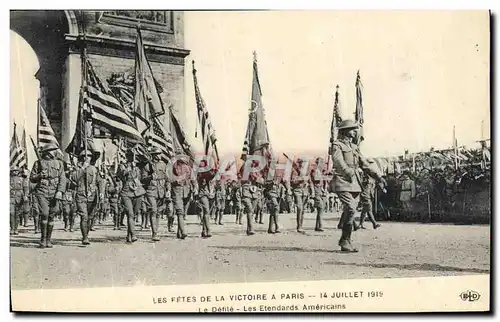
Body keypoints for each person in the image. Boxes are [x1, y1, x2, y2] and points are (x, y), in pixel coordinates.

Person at [331, 120, 386, 252]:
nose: (355, 131)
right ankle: (345, 240)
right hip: (342, 181)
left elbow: (365, 164)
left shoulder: (354, 147)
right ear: (345, 130)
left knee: (351, 210)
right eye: (352, 129)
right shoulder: (337, 145)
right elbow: (338, 161)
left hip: (355, 183)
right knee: (350, 208)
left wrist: (378, 176)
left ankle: (345, 239)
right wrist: (347, 171)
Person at [30, 146, 67, 248]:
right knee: (44, 213)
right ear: (46, 152)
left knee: (51, 215)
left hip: (54, 191)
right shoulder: (38, 163)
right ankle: (43, 239)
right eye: (51, 150)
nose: (53, 152)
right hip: (42, 191)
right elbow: (32, 178)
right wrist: (39, 175)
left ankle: (48, 239)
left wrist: (60, 191)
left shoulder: (59, 163)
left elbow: (62, 179)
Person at [71, 148, 105, 245]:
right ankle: (85, 237)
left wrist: (102, 192)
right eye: (85, 156)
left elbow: (100, 181)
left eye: (89, 156)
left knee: (90, 217)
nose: (87, 158)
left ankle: (86, 234)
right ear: (81, 158)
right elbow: (74, 178)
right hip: (81, 195)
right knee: (84, 216)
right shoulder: (77, 168)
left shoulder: (94, 169)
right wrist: (82, 168)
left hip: (92, 195)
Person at [117, 149, 146, 243]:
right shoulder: (122, 166)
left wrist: (135, 169)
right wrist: (127, 170)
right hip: (126, 192)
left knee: (134, 215)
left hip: (137, 192)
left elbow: (141, 178)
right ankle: (133, 234)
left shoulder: (137, 168)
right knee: (130, 213)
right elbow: (119, 175)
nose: (131, 157)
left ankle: (129, 234)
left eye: (133, 155)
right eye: (129, 155)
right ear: (126, 156)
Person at [139, 147, 167, 242]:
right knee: (153, 210)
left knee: (158, 212)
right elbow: (142, 179)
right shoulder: (147, 166)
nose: (159, 155)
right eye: (158, 154)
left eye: (160, 153)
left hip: (161, 190)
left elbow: (167, 178)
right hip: (151, 190)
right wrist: (150, 177)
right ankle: (154, 233)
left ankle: (156, 231)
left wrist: (168, 190)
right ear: (154, 155)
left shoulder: (163, 165)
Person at [170, 155, 194, 239]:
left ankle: (179, 232)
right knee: (180, 211)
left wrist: (194, 188)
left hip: (186, 191)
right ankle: (183, 231)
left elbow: (193, 179)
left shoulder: (188, 168)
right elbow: (170, 179)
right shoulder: (173, 168)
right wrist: (177, 179)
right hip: (176, 190)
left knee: (182, 212)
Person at [289, 158, 311, 234]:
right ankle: (299, 227)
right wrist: (300, 179)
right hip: (297, 191)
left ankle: (301, 225)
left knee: (303, 210)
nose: (302, 164)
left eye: (304, 163)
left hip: (305, 191)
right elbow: (293, 181)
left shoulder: (306, 172)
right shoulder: (294, 171)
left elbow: (310, 181)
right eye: (301, 163)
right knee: (299, 208)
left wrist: (312, 190)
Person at [311, 157, 330, 232]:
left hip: (320, 191)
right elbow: (316, 179)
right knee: (321, 208)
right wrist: (325, 176)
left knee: (320, 209)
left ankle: (317, 226)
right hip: (316, 191)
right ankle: (320, 225)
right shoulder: (315, 171)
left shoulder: (320, 171)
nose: (323, 165)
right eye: (322, 163)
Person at [10, 167, 28, 235]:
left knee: (17, 214)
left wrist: (25, 196)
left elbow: (25, 188)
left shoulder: (22, 179)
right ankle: (12, 228)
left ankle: (16, 229)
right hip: (10, 197)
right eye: (13, 171)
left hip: (19, 197)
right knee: (11, 213)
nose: (15, 172)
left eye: (16, 171)